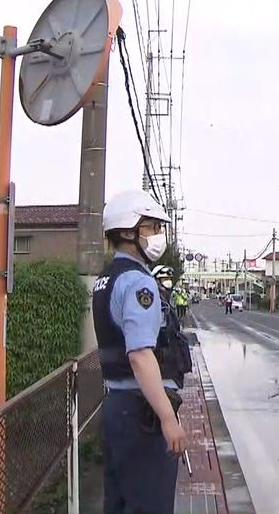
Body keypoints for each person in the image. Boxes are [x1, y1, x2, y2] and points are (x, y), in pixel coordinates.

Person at [93, 190, 192, 514]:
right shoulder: (139, 283)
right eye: (151, 227)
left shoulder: (106, 280)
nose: (157, 236)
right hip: (142, 415)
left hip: (117, 409)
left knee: (120, 504)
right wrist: (167, 418)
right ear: (127, 231)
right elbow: (139, 355)